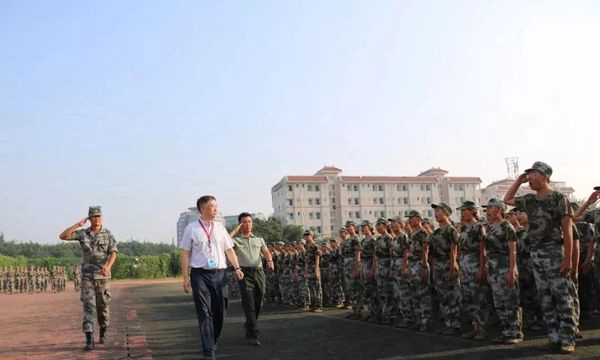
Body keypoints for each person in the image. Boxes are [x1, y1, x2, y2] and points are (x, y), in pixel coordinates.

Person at [504, 161, 577, 354]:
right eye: (527, 175)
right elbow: (507, 199)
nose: (529, 178)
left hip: (554, 251)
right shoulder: (529, 199)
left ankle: (568, 338)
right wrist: (518, 181)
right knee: (545, 297)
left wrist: (568, 258)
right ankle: (554, 337)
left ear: (545, 176)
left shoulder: (558, 198)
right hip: (536, 253)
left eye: (532, 175)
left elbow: (567, 230)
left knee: (561, 296)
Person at [179, 195, 244, 360]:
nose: (216, 209)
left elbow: (229, 250)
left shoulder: (220, 228)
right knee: (204, 312)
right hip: (199, 275)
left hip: (220, 274)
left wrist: (237, 267)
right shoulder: (191, 228)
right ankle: (208, 351)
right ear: (202, 209)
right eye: (212, 206)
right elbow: (185, 253)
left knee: (220, 311)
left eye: (216, 206)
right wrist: (185, 277)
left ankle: (213, 338)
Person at [59, 206, 118, 351]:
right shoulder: (83, 234)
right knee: (88, 307)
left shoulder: (108, 234)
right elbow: (63, 236)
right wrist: (78, 225)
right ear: (89, 218)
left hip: (103, 276)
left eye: (99, 216)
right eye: (94, 216)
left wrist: (108, 267)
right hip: (87, 277)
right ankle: (89, 338)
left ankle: (103, 330)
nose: (97, 218)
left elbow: (114, 253)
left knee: (102, 307)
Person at [228, 212, 274, 346]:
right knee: (249, 304)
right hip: (245, 274)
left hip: (259, 273)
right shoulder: (237, 241)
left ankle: (249, 324)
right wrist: (236, 229)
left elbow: (266, 252)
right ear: (240, 225)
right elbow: (224, 240)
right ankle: (253, 334)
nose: (247, 224)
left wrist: (270, 261)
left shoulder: (259, 239)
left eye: (249, 221)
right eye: (244, 222)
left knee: (259, 302)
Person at [482, 198, 523, 344]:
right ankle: (506, 331)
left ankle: (515, 333)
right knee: (498, 302)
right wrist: (487, 270)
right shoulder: (489, 227)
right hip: (493, 267)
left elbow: (513, 251)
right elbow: (487, 251)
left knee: (510, 300)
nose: (487, 211)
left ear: (499, 209)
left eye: (490, 208)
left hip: (505, 265)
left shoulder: (507, 226)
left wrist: (512, 271)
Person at [456, 201, 489, 340]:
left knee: (479, 298)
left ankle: (481, 329)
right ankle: (474, 328)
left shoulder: (478, 227)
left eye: (464, 210)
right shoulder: (464, 228)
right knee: (469, 298)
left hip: (475, 265)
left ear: (472, 211)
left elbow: (483, 250)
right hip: (465, 266)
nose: (462, 213)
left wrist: (482, 269)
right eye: (461, 211)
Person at [429, 202, 462, 335]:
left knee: (452, 295)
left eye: (438, 211)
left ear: (446, 213)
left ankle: (455, 324)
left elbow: (454, 250)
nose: (436, 214)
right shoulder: (436, 232)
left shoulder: (451, 230)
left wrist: (452, 267)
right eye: (435, 211)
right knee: (443, 296)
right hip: (439, 265)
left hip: (449, 263)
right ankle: (448, 323)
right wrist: (434, 269)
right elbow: (433, 253)